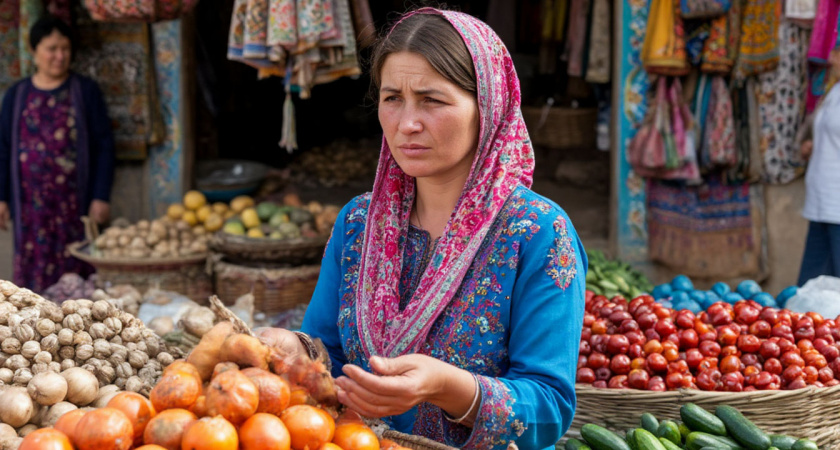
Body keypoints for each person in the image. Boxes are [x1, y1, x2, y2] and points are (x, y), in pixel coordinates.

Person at [259, 8, 586, 449]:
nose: (407, 123)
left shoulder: (538, 234)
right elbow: (329, 355)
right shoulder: (358, 224)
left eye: (432, 100)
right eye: (392, 98)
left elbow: (549, 409)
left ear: (487, 106)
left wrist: (447, 387)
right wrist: (294, 350)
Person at [0, 16, 116, 292]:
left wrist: (101, 195)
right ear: (34, 51)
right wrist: (2, 197)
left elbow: (105, 146)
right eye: (52, 48)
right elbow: (3, 149)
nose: (60, 56)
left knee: (77, 276)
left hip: (75, 207)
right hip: (30, 208)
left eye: (65, 48)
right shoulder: (17, 96)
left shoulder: (85, 91)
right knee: (32, 280)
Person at [797, 43, 840, 286]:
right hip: (822, 200)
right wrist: (812, 145)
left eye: (837, 54)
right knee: (811, 286)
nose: (832, 59)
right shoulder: (833, 92)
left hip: (837, 202)